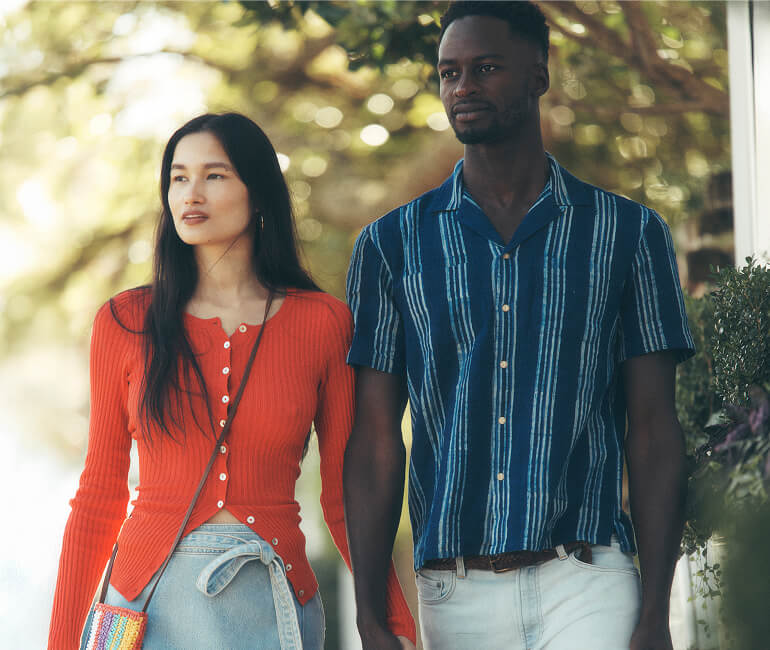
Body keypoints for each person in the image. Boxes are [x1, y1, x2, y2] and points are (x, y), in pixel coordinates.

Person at [343, 3, 694, 649]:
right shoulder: (391, 246)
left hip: (587, 576)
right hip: (455, 589)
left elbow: (653, 428)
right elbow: (372, 438)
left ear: (539, 75)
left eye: (486, 68)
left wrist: (654, 614)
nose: (464, 88)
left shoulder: (627, 233)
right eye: (449, 73)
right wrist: (371, 616)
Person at [48, 112, 415, 649]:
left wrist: (389, 623)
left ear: (258, 193)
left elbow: (345, 492)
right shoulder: (125, 321)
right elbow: (100, 492)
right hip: (147, 602)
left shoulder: (322, 323)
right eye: (178, 177)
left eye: (214, 175)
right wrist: (59, 642)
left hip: (273, 596)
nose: (190, 193)